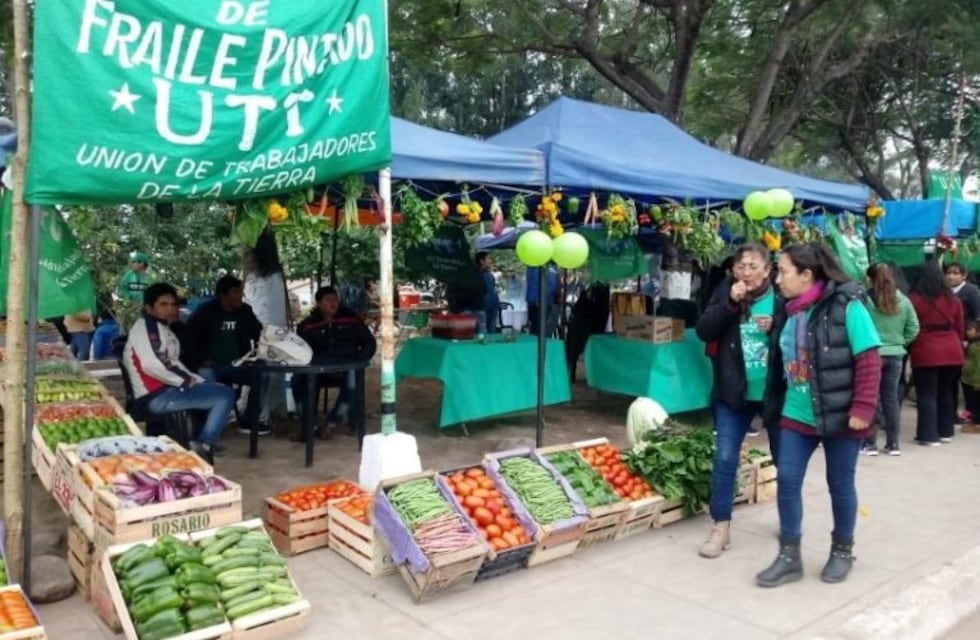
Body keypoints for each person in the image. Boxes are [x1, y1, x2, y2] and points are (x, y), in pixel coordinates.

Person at [757, 242, 881, 588]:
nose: (777, 278)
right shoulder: (790, 309)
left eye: (782, 271)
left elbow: (869, 359)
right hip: (797, 412)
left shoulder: (848, 306)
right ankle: (789, 556)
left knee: (839, 485)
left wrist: (863, 408)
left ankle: (842, 551)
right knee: (787, 481)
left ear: (806, 274)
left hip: (842, 414)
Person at [695, 243, 781, 559]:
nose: (746, 272)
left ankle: (789, 521)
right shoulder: (726, 292)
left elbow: (798, 338)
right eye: (740, 266)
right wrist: (729, 305)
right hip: (732, 393)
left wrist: (776, 327)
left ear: (767, 271)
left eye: (753, 266)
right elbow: (704, 330)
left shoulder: (782, 296)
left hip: (774, 393)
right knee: (725, 457)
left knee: (786, 459)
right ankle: (721, 526)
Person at [122, 283, 235, 459]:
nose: (170, 309)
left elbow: (172, 363)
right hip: (154, 397)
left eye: (173, 304)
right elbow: (152, 365)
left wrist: (195, 380)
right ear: (149, 308)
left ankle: (202, 442)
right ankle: (205, 444)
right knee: (224, 395)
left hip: (163, 391)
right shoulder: (147, 328)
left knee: (217, 390)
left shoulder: (161, 328)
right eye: (163, 304)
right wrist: (186, 381)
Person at [185, 275, 269, 436]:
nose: (240, 296)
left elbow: (259, 333)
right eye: (235, 292)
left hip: (238, 364)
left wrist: (261, 353)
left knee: (262, 373)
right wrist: (201, 360)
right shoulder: (205, 311)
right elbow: (189, 338)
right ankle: (201, 432)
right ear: (223, 295)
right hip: (210, 365)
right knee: (207, 384)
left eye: (241, 291)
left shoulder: (245, 311)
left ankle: (250, 421)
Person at [293, 286, 376, 439]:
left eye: (335, 299)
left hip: (347, 366)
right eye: (328, 300)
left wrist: (359, 360)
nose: (333, 303)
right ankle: (308, 425)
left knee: (352, 382)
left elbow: (369, 343)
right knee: (298, 379)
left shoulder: (351, 319)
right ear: (318, 303)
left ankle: (331, 423)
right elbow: (301, 351)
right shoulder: (307, 325)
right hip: (318, 369)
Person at [862, 263, 919, 456]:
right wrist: (900, 342)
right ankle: (893, 444)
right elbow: (914, 327)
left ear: (869, 278)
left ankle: (870, 444)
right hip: (895, 356)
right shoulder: (903, 300)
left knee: (871, 398)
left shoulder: (864, 300)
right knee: (891, 399)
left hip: (871, 354)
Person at [908, 261, 964, 445]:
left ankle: (928, 435)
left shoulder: (914, 299)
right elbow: (960, 327)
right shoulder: (953, 299)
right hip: (952, 349)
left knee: (927, 394)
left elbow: (911, 327)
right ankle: (946, 431)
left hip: (925, 350)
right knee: (945, 391)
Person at [526, 265, 559, 337]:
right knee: (533, 329)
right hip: (531, 303)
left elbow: (552, 286)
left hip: (543, 304)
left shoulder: (548, 268)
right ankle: (534, 346)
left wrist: (540, 298)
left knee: (543, 330)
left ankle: (544, 346)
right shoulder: (530, 267)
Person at [960, 320, 980, 434]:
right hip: (968, 379)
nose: (967, 332)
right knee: (972, 403)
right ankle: (973, 422)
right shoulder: (971, 343)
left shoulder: (977, 346)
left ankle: (977, 425)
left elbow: (979, 364)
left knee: (976, 404)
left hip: (975, 381)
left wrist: (977, 381)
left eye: (970, 330)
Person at [476, 251, 500, 334]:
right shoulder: (476, 275)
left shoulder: (490, 275)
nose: (490, 261)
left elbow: (493, 289)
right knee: (482, 332)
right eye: (488, 258)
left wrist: (496, 303)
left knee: (492, 331)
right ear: (481, 261)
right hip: (482, 309)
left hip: (493, 308)